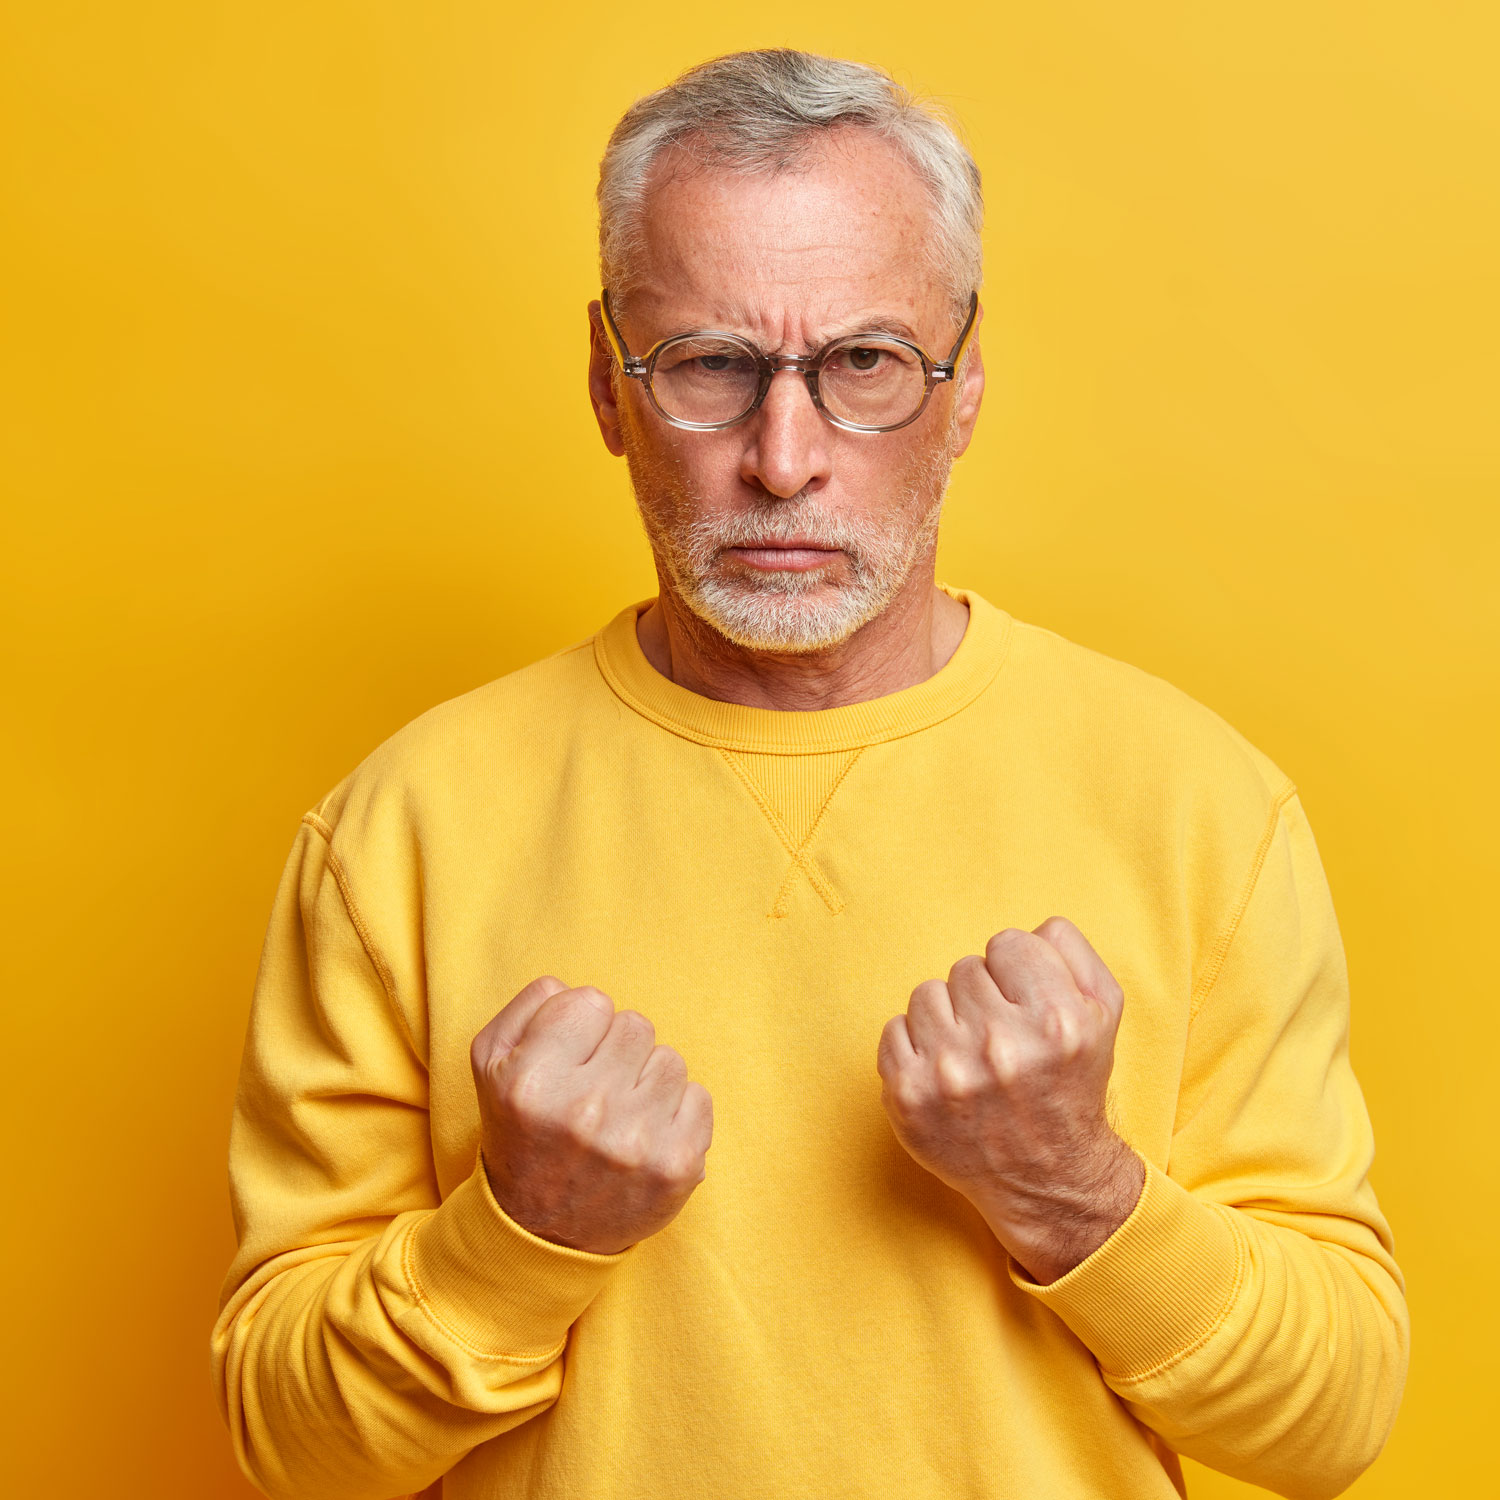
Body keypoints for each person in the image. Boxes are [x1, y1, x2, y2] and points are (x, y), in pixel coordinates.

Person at [211, 47, 1408, 1500]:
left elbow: (1330, 1424)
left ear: (963, 387)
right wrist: (517, 1235)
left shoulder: (1201, 805)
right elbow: (290, 1454)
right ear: (607, 382)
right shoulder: (399, 829)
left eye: (864, 366)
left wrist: (1072, 1188)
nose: (786, 460)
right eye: (712, 365)